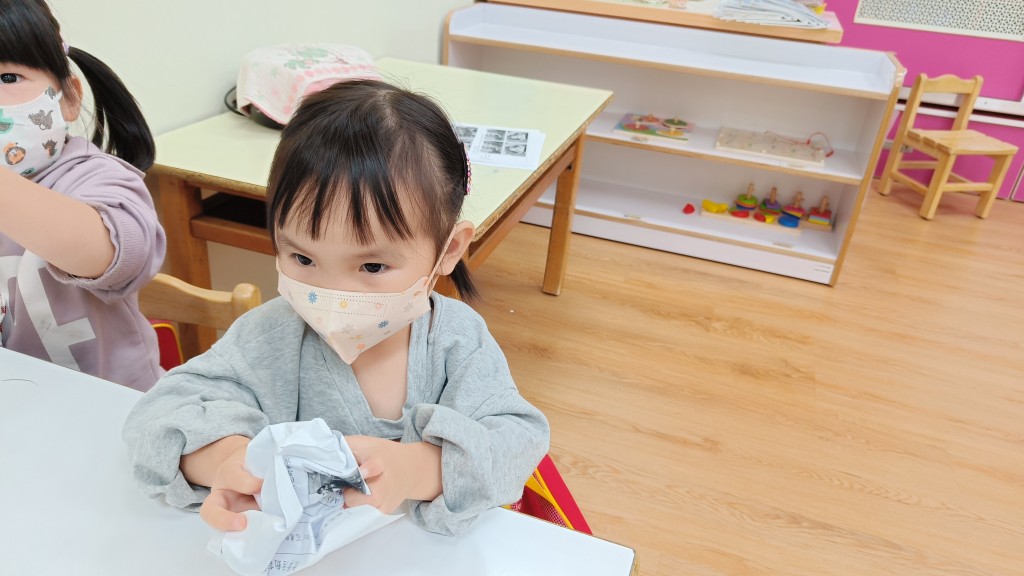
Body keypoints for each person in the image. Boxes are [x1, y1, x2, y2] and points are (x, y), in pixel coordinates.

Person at [122, 79, 550, 536]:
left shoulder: (457, 341)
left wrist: (415, 468)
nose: (332, 294)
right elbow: (157, 415)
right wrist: (226, 461)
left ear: (449, 250)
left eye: (372, 266)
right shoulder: (271, 335)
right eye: (303, 258)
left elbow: (517, 442)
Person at [0, 0, 165, 390]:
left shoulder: (94, 178)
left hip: (114, 409)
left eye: (8, 78)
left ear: (69, 98)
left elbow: (114, 254)